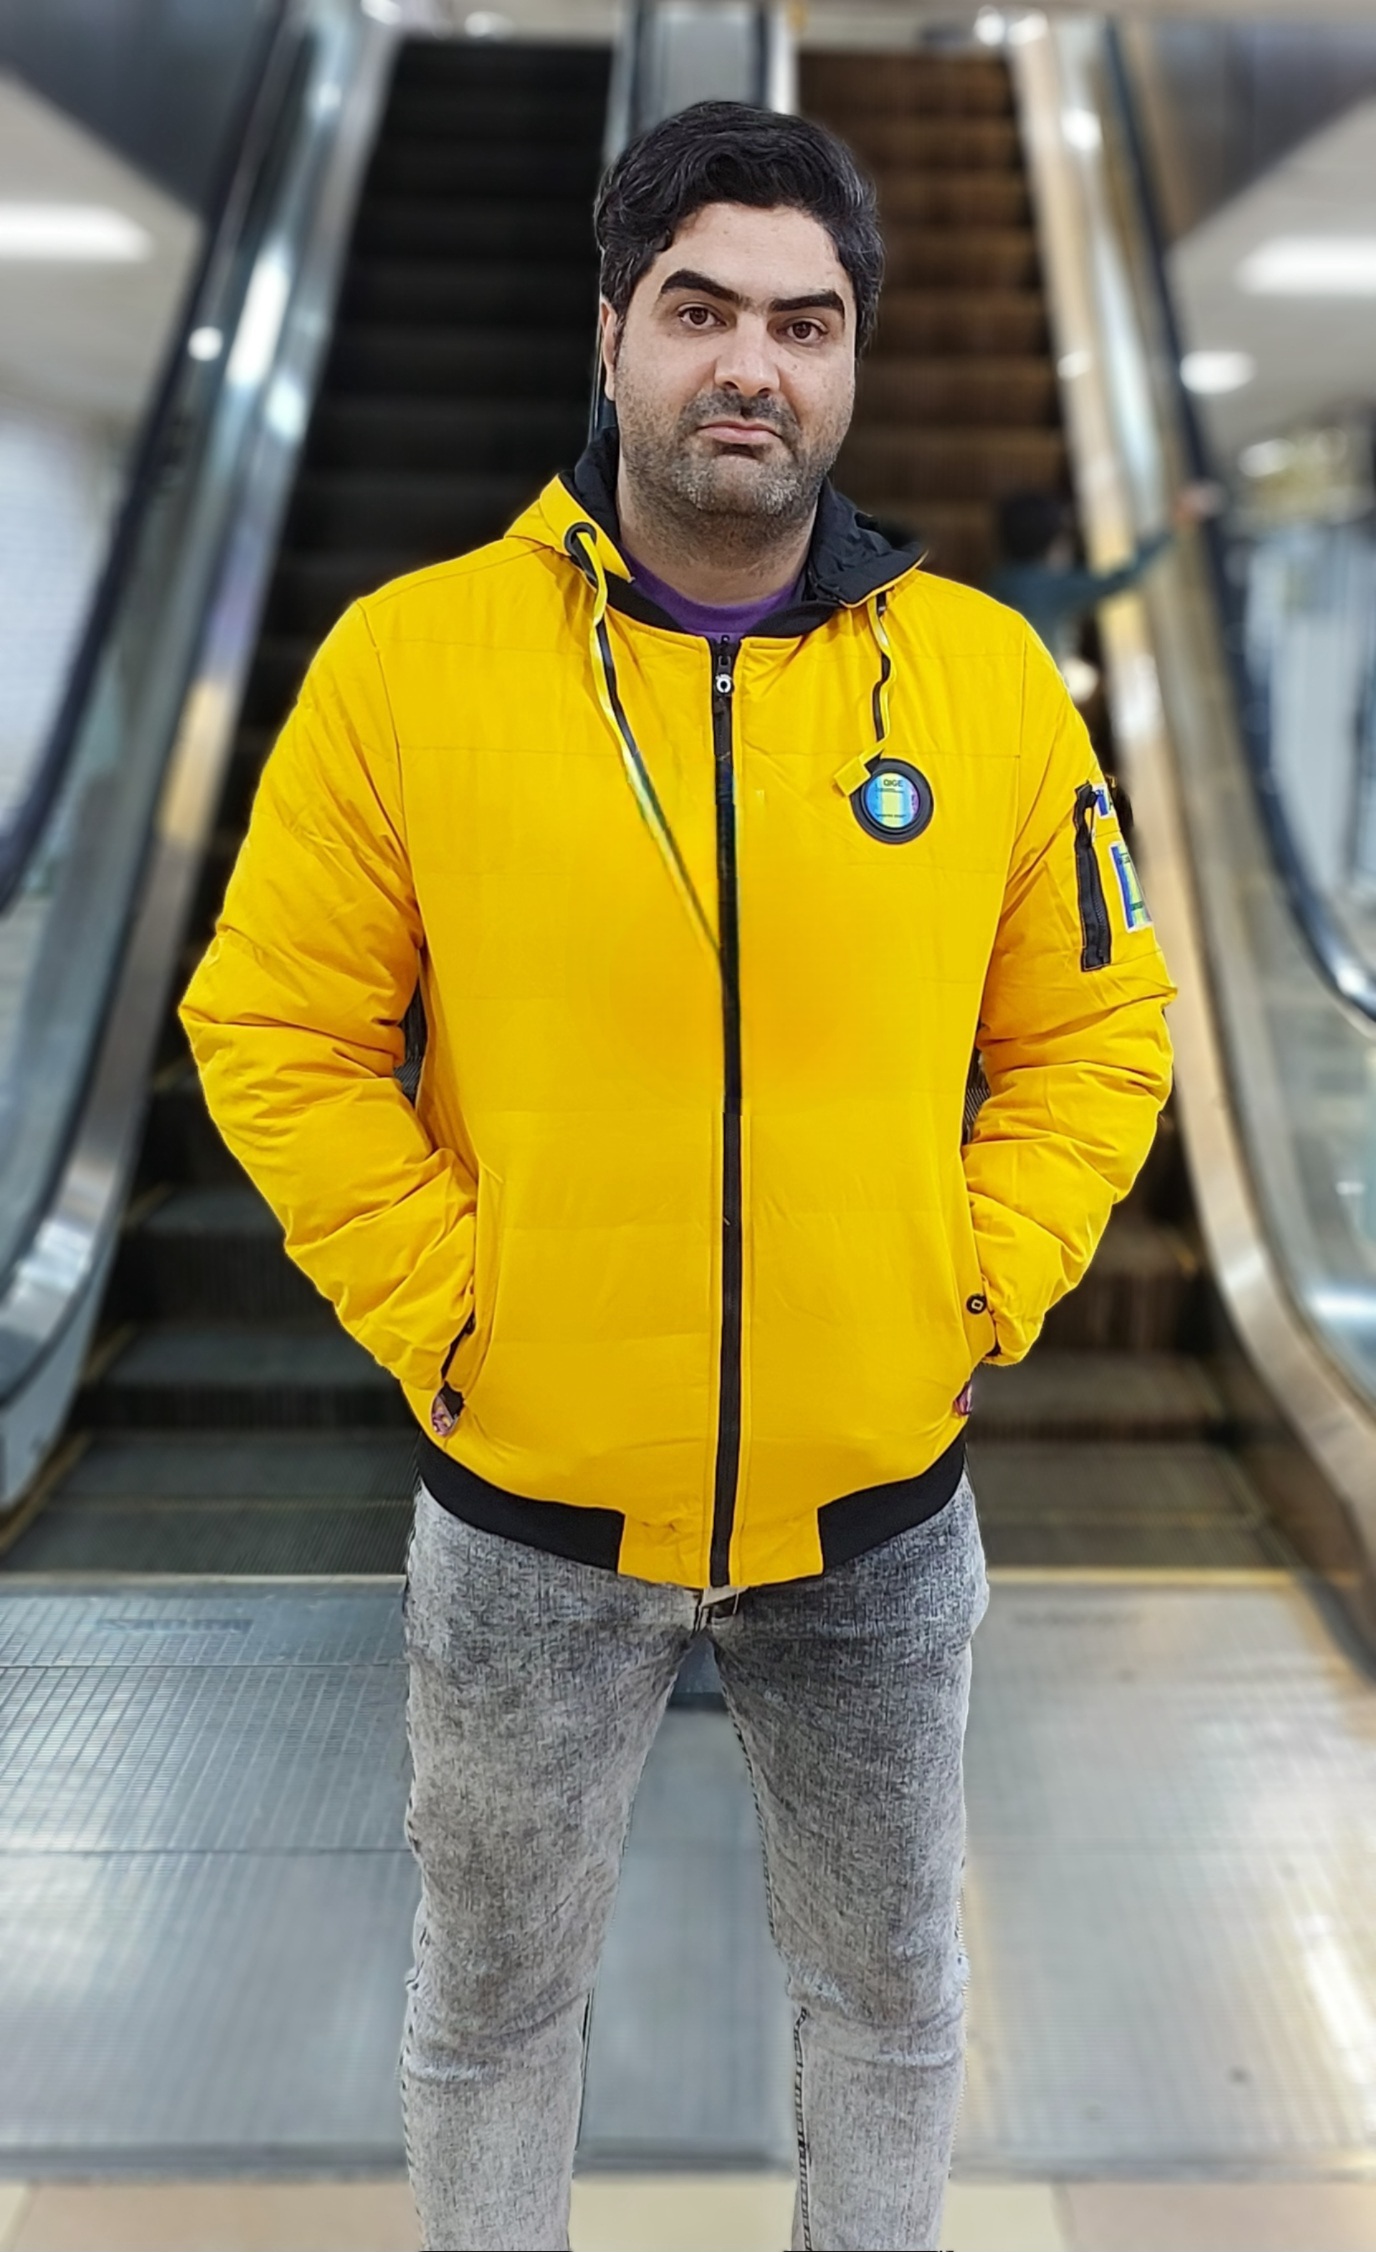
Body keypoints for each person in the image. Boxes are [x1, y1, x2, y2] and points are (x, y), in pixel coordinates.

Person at [180, 101, 1175, 2252]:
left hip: (878, 1502)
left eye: (804, 324)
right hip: (528, 1507)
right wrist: (456, 1307)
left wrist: (968, 1285)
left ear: (851, 359)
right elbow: (273, 1028)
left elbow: (1097, 1031)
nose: (752, 365)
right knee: (491, 2010)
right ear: (612, 333)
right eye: (701, 310)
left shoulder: (988, 686)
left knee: (891, 1999)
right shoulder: (410, 667)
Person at [990, 483, 1220, 698]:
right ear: (1051, 545)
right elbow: (1123, 579)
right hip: (1032, 688)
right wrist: (1176, 521)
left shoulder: (1000, 578)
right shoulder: (1053, 587)